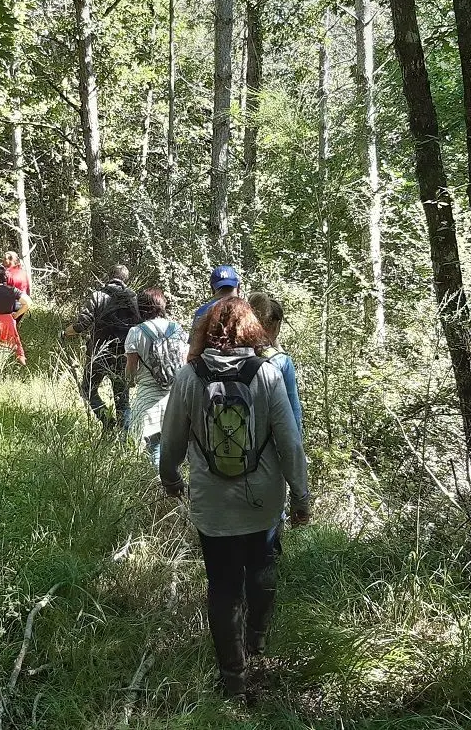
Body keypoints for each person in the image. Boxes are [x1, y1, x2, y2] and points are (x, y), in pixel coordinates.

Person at [159, 298, 310, 700]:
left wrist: (170, 479)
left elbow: (171, 441)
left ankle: (233, 676)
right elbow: (290, 442)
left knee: (223, 585)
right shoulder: (268, 375)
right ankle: (257, 641)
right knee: (261, 567)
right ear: (252, 330)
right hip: (263, 499)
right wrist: (301, 496)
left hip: (212, 503)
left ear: (206, 331)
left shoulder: (189, 377)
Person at [64, 265, 141, 437]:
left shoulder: (98, 296)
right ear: (126, 280)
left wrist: (65, 333)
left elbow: (82, 324)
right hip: (123, 355)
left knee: (87, 390)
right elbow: (139, 326)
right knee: (122, 400)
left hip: (99, 353)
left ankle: (107, 421)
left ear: (109, 276)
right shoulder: (133, 298)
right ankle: (123, 440)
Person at [125, 288, 188, 465]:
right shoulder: (177, 329)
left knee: (154, 443)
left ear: (141, 307)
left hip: (148, 395)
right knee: (169, 443)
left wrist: (129, 382)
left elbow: (131, 367)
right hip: (175, 394)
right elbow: (185, 362)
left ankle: (160, 477)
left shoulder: (136, 332)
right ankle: (171, 475)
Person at [247, 292, 302, 435]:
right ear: (276, 324)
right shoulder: (282, 362)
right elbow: (293, 411)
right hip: (270, 441)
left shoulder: (239, 353)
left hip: (239, 438)